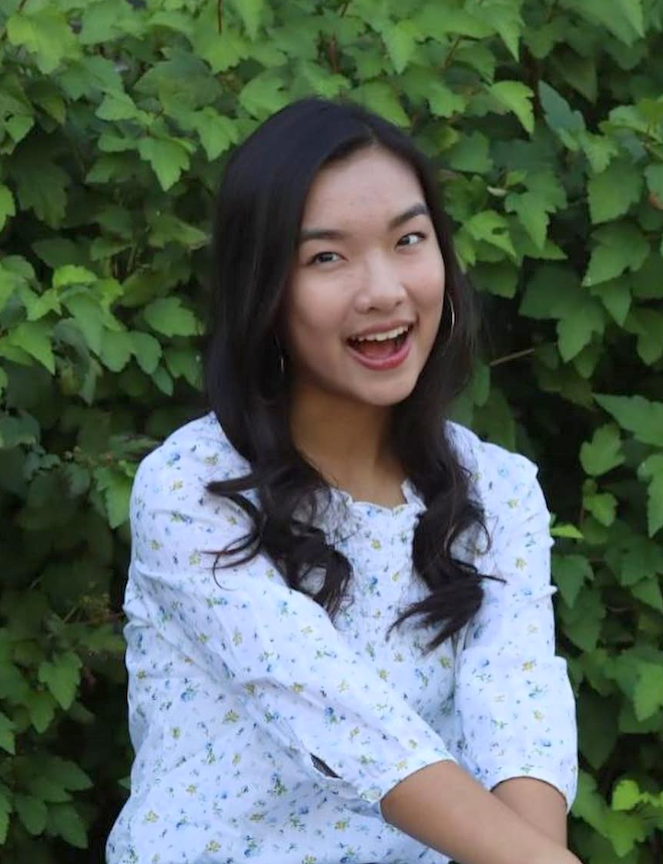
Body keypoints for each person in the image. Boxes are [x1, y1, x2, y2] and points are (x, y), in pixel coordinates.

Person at [106, 97, 580, 864]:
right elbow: (346, 724)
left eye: (408, 240)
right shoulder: (193, 491)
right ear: (264, 291)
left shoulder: (495, 488)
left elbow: (519, 709)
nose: (383, 290)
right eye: (326, 258)